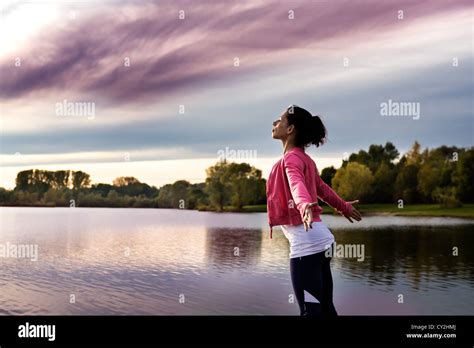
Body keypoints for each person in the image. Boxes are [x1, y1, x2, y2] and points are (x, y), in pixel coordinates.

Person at [266, 105, 362, 316]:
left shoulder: (291, 159)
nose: (274, 123)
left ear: (290, 129)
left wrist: (302, 204)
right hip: (321, 241)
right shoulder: (304, 159)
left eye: (279, 120)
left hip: (307, 246)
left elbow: (296, 184)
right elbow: (322, 189)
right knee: (325, 307)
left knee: (310, 311)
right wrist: (344, 207)